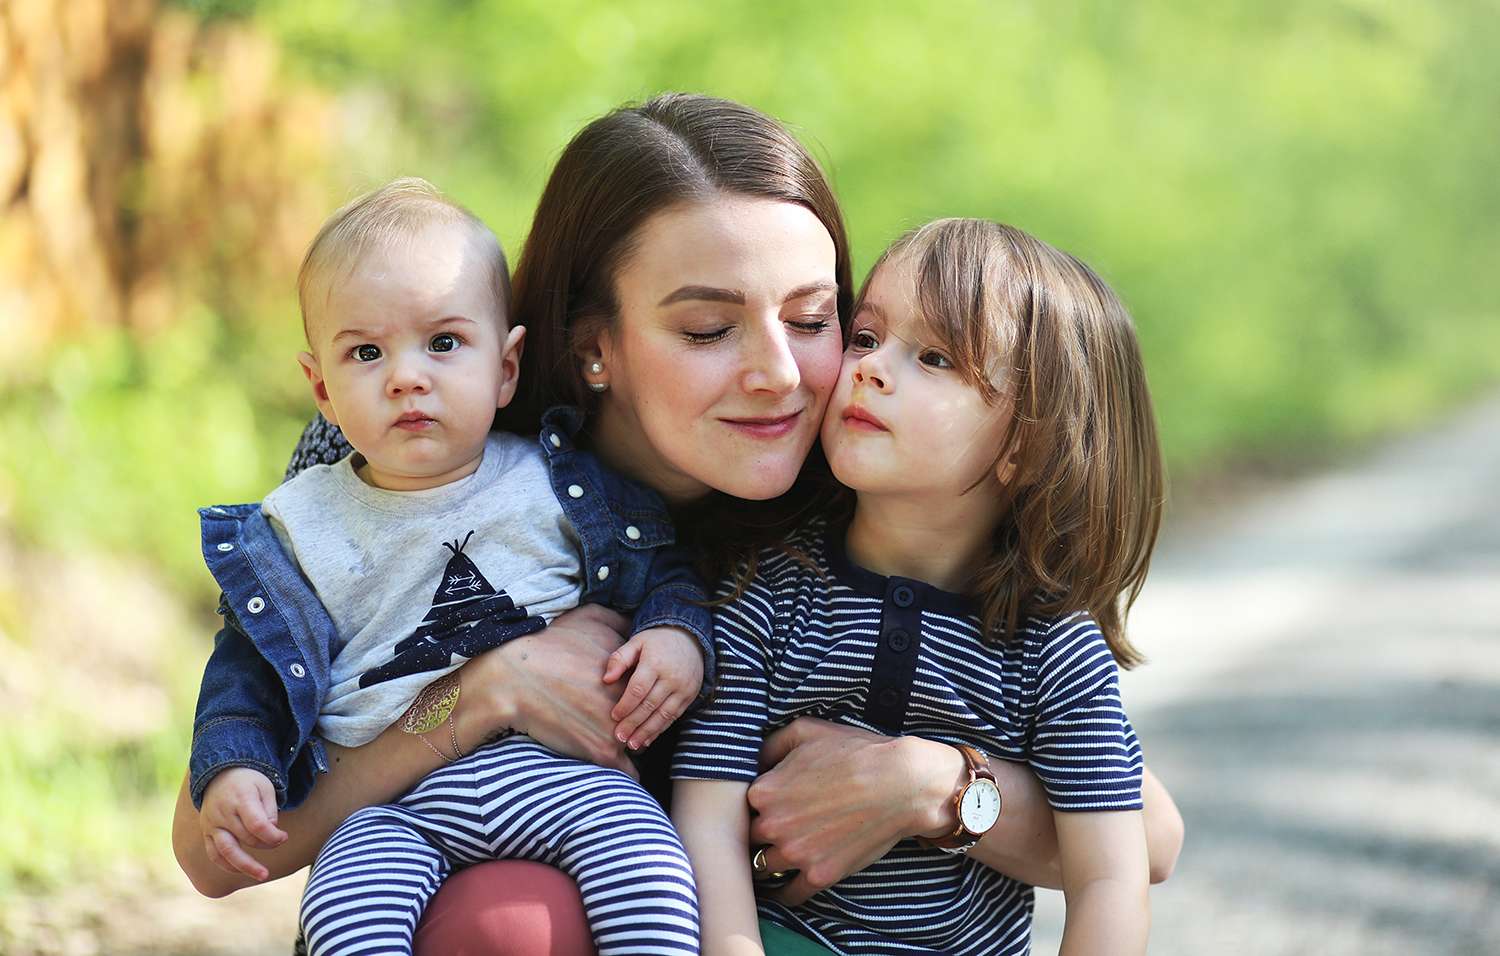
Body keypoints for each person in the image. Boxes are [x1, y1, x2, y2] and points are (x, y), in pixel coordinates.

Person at [171, 94, 1183, 955]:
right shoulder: (419, 446)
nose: (781, 375)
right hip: (520, 871)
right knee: (509, 920)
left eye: (812, 316)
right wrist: (477, 696)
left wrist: (931, 783)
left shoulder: (871, 481)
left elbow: (1155, 836)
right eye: (706, 329)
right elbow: (212, 853)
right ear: (589, 347)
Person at [189, 178, 707, 954]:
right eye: (366, 352)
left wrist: (675, 636)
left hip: (568, 778)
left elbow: (660, 572)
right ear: (321, 389)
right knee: (345, 913)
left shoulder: (556, 482)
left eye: (443, 343)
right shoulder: (298, 525)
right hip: (394, 809)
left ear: (507, 367)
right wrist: (234, 767)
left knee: (651, 875)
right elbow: (247, 675)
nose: (406, 375)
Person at [672, 218, 1160, 956]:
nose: (869, 368)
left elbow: (1113, 877)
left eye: (934, 358)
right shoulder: (767, 589)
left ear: (1026, 446)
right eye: (865, 338)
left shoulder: (1052, 645)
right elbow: (704, 817)